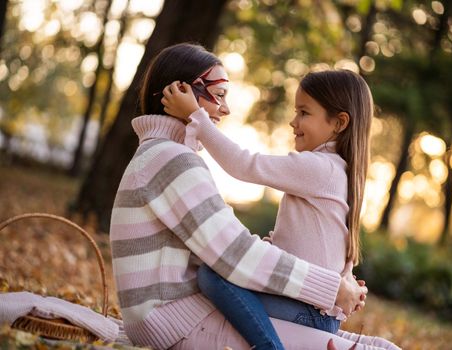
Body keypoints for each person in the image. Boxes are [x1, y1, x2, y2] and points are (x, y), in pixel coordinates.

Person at [110, 42, 383, 350]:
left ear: (340, 123)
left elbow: (223, 251)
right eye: (220, 95)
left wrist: (339, 286)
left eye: (303, 113)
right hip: (178, 321)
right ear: (180, 92)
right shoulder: (171, 160)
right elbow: (233, 254)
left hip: (191, 314)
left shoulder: (164, 156)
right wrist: (335, 288)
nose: (226, 109)